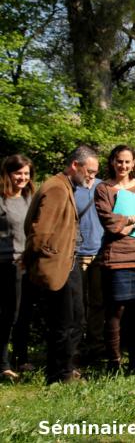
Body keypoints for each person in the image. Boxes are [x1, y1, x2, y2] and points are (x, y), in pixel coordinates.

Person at [23, 145, 99, 384]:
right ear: (75, 165)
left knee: (76, 319)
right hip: (59, 265)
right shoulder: (56, 188)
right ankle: (58, 375)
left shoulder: (65, 185)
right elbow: (39, 231)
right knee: (64, 322)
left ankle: (66, 368)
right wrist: (47, 257)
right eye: (90, 170)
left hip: (68, 261)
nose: (92, 176)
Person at [94, 145, 135, 371]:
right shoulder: (104, 188)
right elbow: (109, 221)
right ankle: (114, 361)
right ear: (112, 162)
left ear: (133, 164)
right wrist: (133, 221)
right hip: (115, 257)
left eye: (127, 162)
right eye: (119, 161)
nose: (123, 166)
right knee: (115, 311)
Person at [0, 155, 34, 381]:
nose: (22, 178)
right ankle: (3, 363)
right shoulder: (1, 200)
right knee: (8, 314)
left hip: (28, 262)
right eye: (18, 173)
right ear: (8, 174)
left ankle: (22, 358)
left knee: (25, 313)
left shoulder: (30, 197)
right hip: (6, 263)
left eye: (26, 173)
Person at [75, 172, 105, 366]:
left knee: (98, 303)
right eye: (87, 169)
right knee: (77, 305)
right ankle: (75, 348)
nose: (90, 173)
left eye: (94, 169)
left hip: (100, 251)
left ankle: (96, 346)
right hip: (76, 252)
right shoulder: (71, 188)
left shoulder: (103, 187)